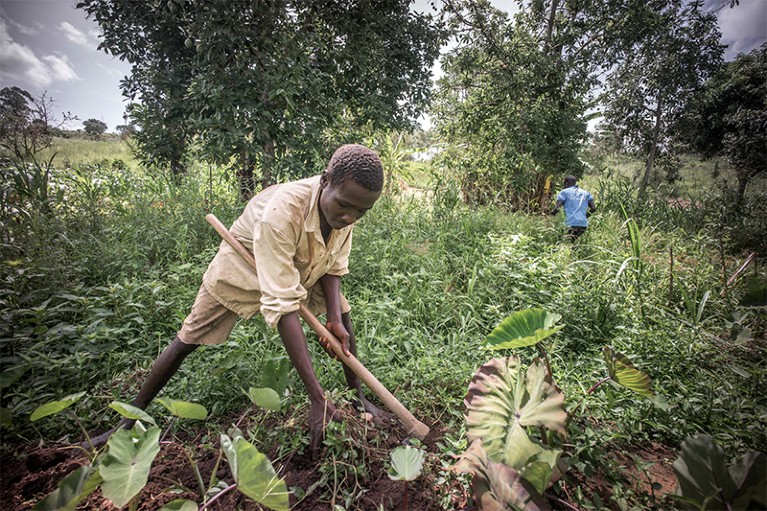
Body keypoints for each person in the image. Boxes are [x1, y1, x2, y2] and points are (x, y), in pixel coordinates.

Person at [91, 144, 386, 456]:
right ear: (325, 181)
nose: (350, 216)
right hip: (243, 262)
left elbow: (332, 264)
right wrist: (317, 397)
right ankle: (126, 422)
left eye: (360, 212)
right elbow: (283, 307)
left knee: (343, 314)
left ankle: (356, 397)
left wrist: (334, 319)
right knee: (188, 339)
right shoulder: (281, 213)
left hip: (301, 261)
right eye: (345, 206)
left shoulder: (344, 208)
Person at [550, 175, 596, 241]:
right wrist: (585, 217)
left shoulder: (564, 192)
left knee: (563, 241)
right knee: (571, 242)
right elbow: (593, 208)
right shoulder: (586, 193)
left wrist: (551, 214)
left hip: (570, 223)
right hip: (583, 224)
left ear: (566, 183)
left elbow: (557, 208)